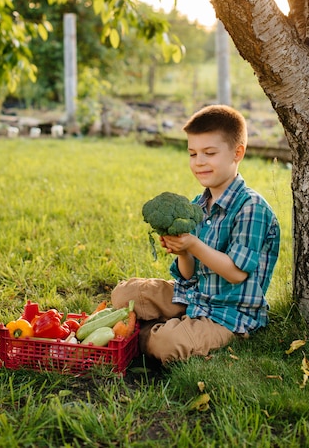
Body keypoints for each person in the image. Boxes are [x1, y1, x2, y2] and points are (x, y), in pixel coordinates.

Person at [111, 104, 280, 363]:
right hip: (194, 296)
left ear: (238, 153)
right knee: (125, 294)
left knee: (166, 344)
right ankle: (156, 328)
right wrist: (183, 251)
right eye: (193, 153)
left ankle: (143, 335)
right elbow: (188, 274)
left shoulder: (252, 208)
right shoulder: (196, 206)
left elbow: (236, 273)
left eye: (209, 153)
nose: (199, 162)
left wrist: (193, 243)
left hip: (229, 314)